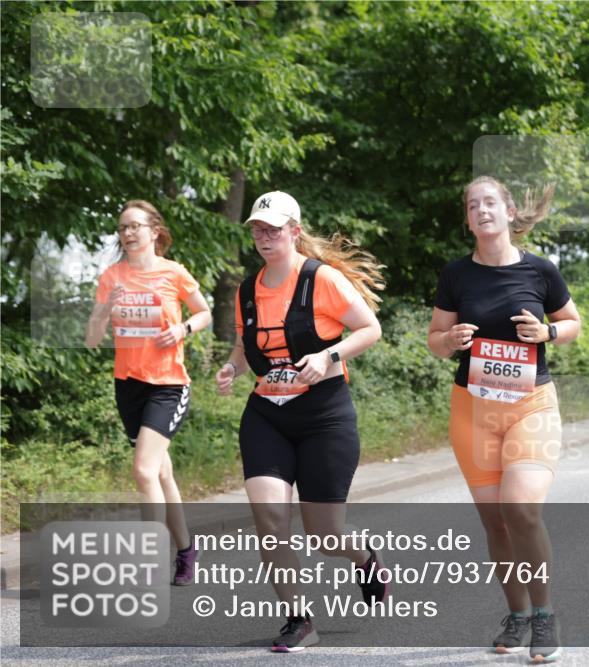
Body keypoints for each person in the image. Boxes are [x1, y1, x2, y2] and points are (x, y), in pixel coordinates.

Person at [215, 191, 387, 652]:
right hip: (266, 415)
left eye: (273, 228)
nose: (264, 236)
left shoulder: (321, 279)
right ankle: (300, 620)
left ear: (294, 230)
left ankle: (366, 559)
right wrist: (233, 367)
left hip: (324, 416)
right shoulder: (247, 290)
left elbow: (370, 329)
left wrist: (328, 355)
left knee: (326, 535)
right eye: (257, 229)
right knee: (270, 520)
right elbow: (246, 346)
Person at [427, 176, 581, 662]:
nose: (482, 210)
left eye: (490, 202)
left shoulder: (541, 271)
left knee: (522, 509)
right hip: (472, 410)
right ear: (468, 219)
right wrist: (449, 343)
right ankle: (516, 615)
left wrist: (547, 331)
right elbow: (434, 338)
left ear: (510, 211)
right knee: (494, 522)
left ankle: (544, 615)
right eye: (473, 205)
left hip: (530, 404)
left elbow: (574, 323)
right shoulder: (456, 274)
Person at [85, 199, 212, 585]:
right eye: (122, 227)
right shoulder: (112, 277)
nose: (127, 233)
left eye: (134, 226)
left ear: (154, 231)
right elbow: (92, 340)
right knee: (161, 472)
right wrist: (106, 308)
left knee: (143, 470)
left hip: (168, 385)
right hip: (128, 386)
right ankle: (186, 551)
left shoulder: (173, 273)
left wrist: (182, 330)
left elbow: (204, 312)